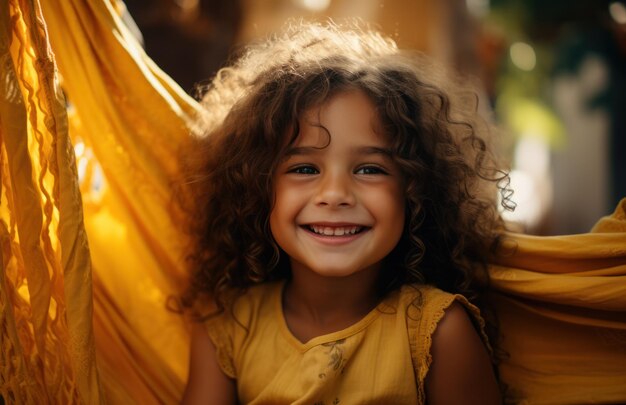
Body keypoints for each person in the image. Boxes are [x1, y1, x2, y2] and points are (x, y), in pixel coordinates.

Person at [179, 21, 509, 405]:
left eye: (370, 169)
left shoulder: (436, 332)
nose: (334, 195)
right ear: (257, 188)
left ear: (416, 191)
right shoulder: (228, 327)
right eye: (304, 169)